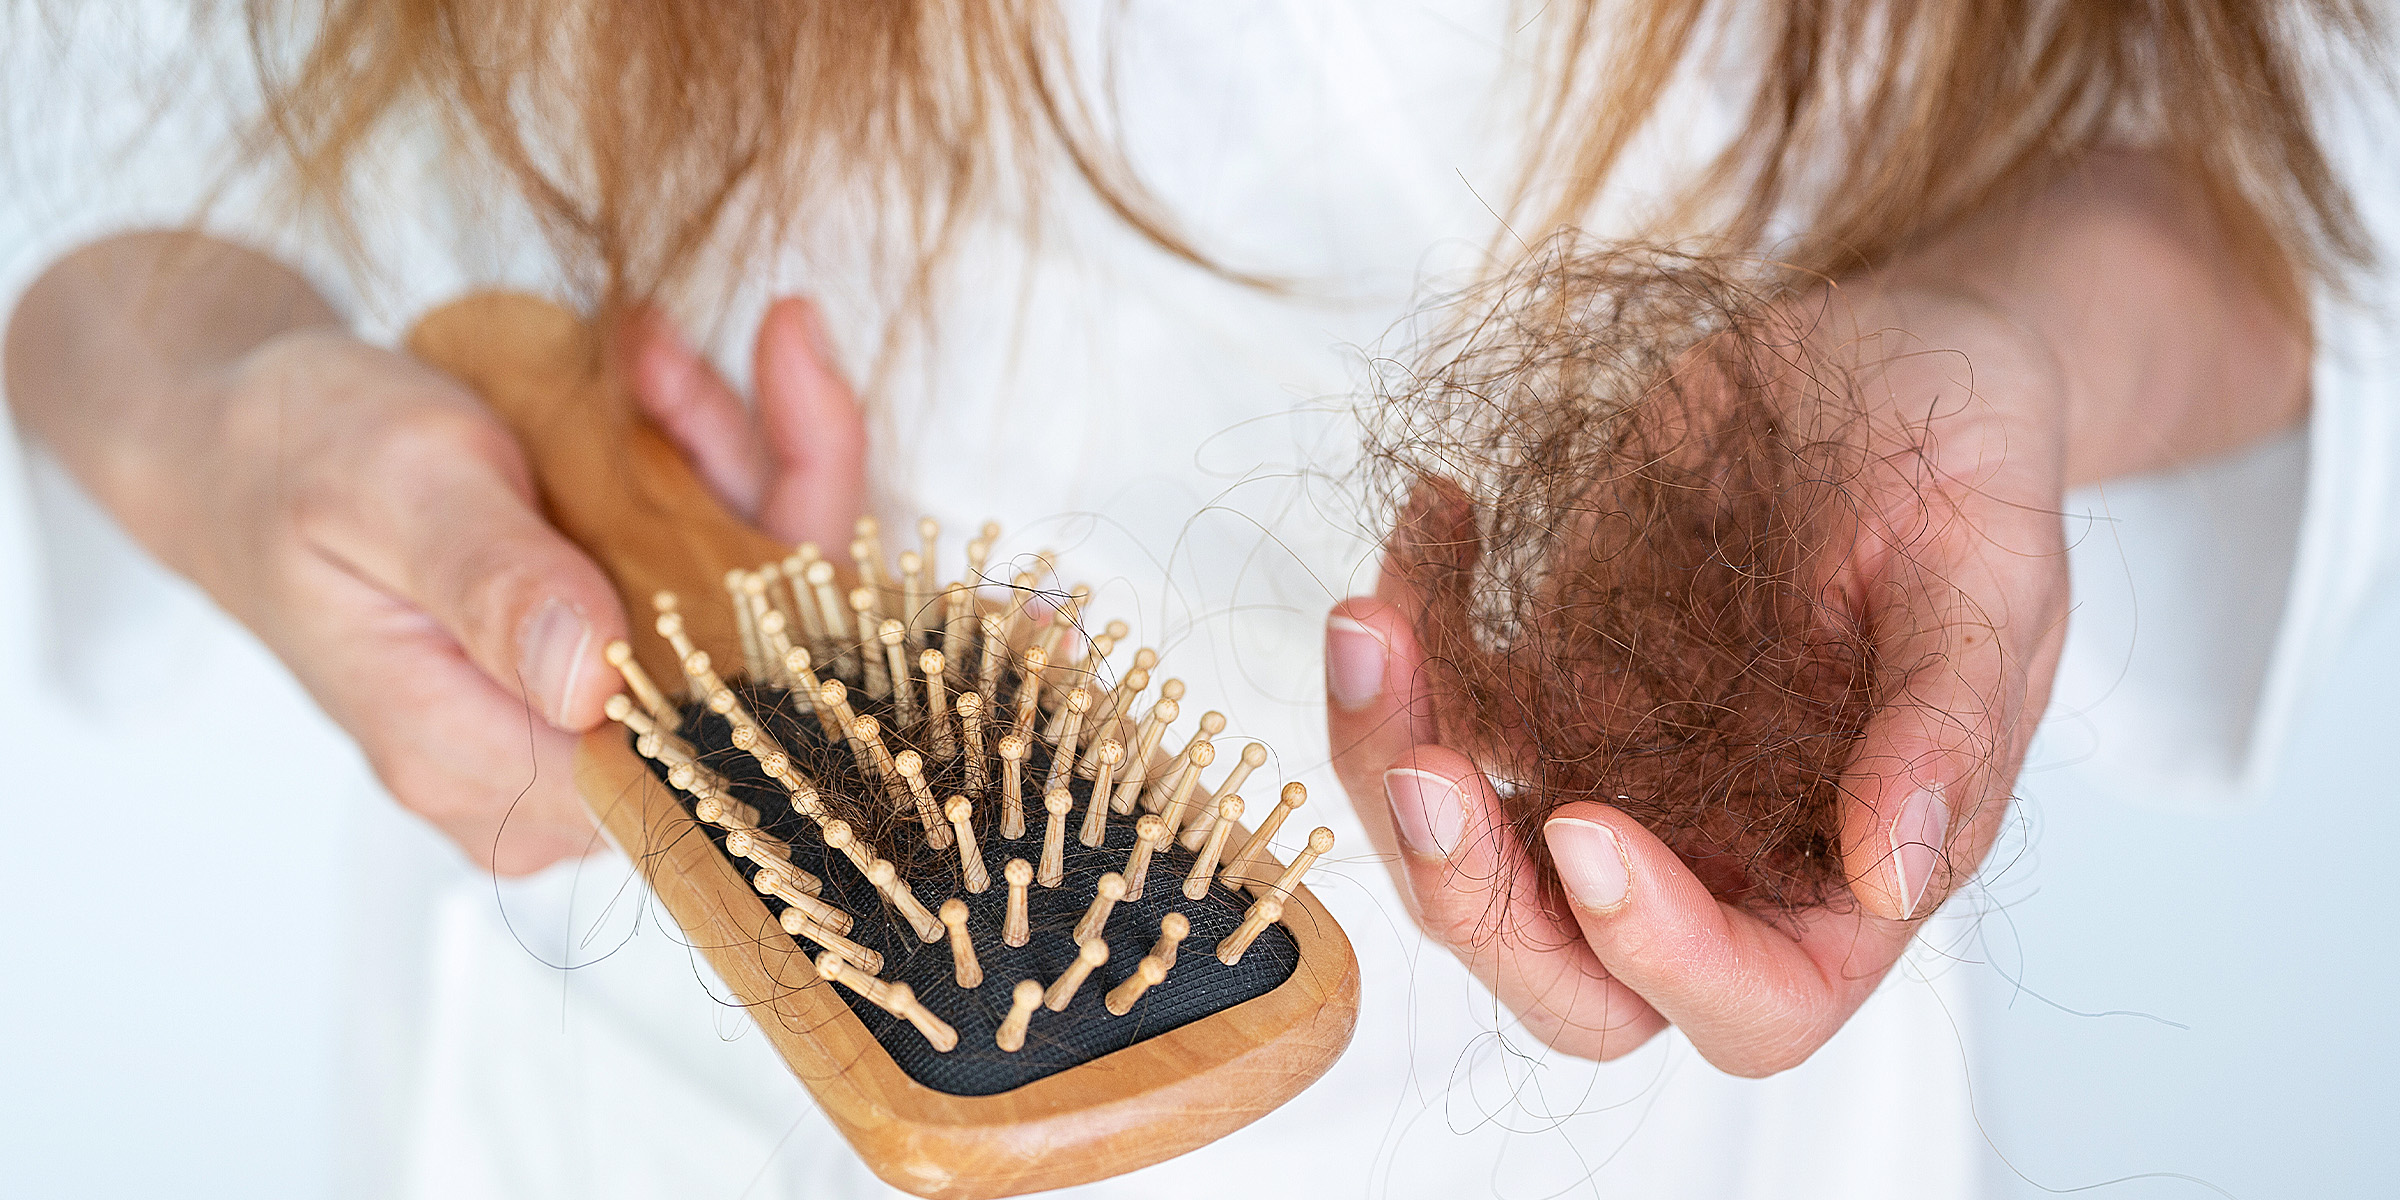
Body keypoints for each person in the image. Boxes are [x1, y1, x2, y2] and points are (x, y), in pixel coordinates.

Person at [2, 2, 2390, 1196]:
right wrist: (216, 401)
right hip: (676, 1098)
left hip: (1687, 1102)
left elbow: (2299, 133)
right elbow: (110, 116)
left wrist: (2011, 344)